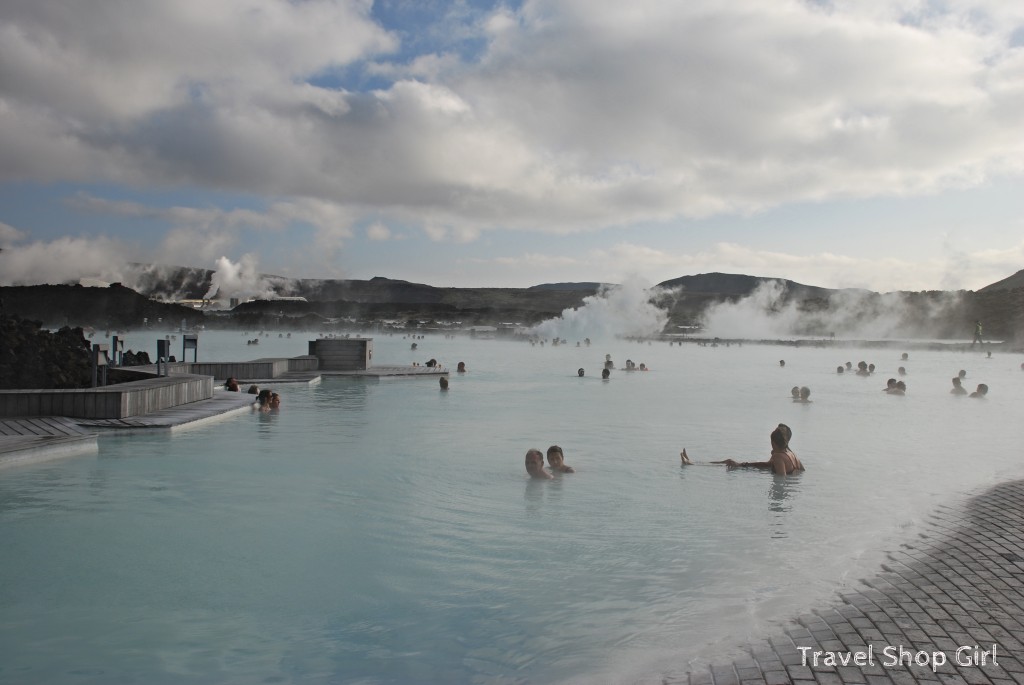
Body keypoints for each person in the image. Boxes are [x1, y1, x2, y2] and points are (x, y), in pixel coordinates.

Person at [681, 424, 804, 475]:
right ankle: (692, 462)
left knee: (729, 463)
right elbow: (801, 470)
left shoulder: (778, 457)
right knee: (729, 461)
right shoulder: (791, 454)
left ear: (774, 443)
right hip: (756, 467)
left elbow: (781, 480)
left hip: (757, 471)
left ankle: (690, 463)